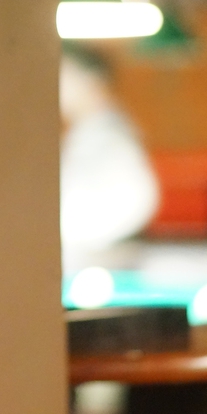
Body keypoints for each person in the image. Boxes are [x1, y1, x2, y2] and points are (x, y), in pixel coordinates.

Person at [59, 44, 159, 275]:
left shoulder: (110, 138)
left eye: (64, 75)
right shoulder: (89, 133)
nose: (59, 86)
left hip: (99, 263)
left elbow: (137, 200)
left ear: (90, 79)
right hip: (85, 259)